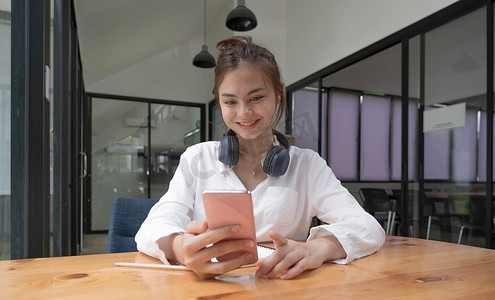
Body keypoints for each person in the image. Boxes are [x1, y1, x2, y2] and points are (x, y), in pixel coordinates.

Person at [135, 36, 385, 280]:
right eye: (230, 101)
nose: (244, 112)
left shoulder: (307, 165)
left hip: (281, 287)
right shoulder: (197, 158)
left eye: (256, 98)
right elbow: (154, 226)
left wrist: (315, 249)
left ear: (278, 94)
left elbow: (367, 227)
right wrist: (179, 247)